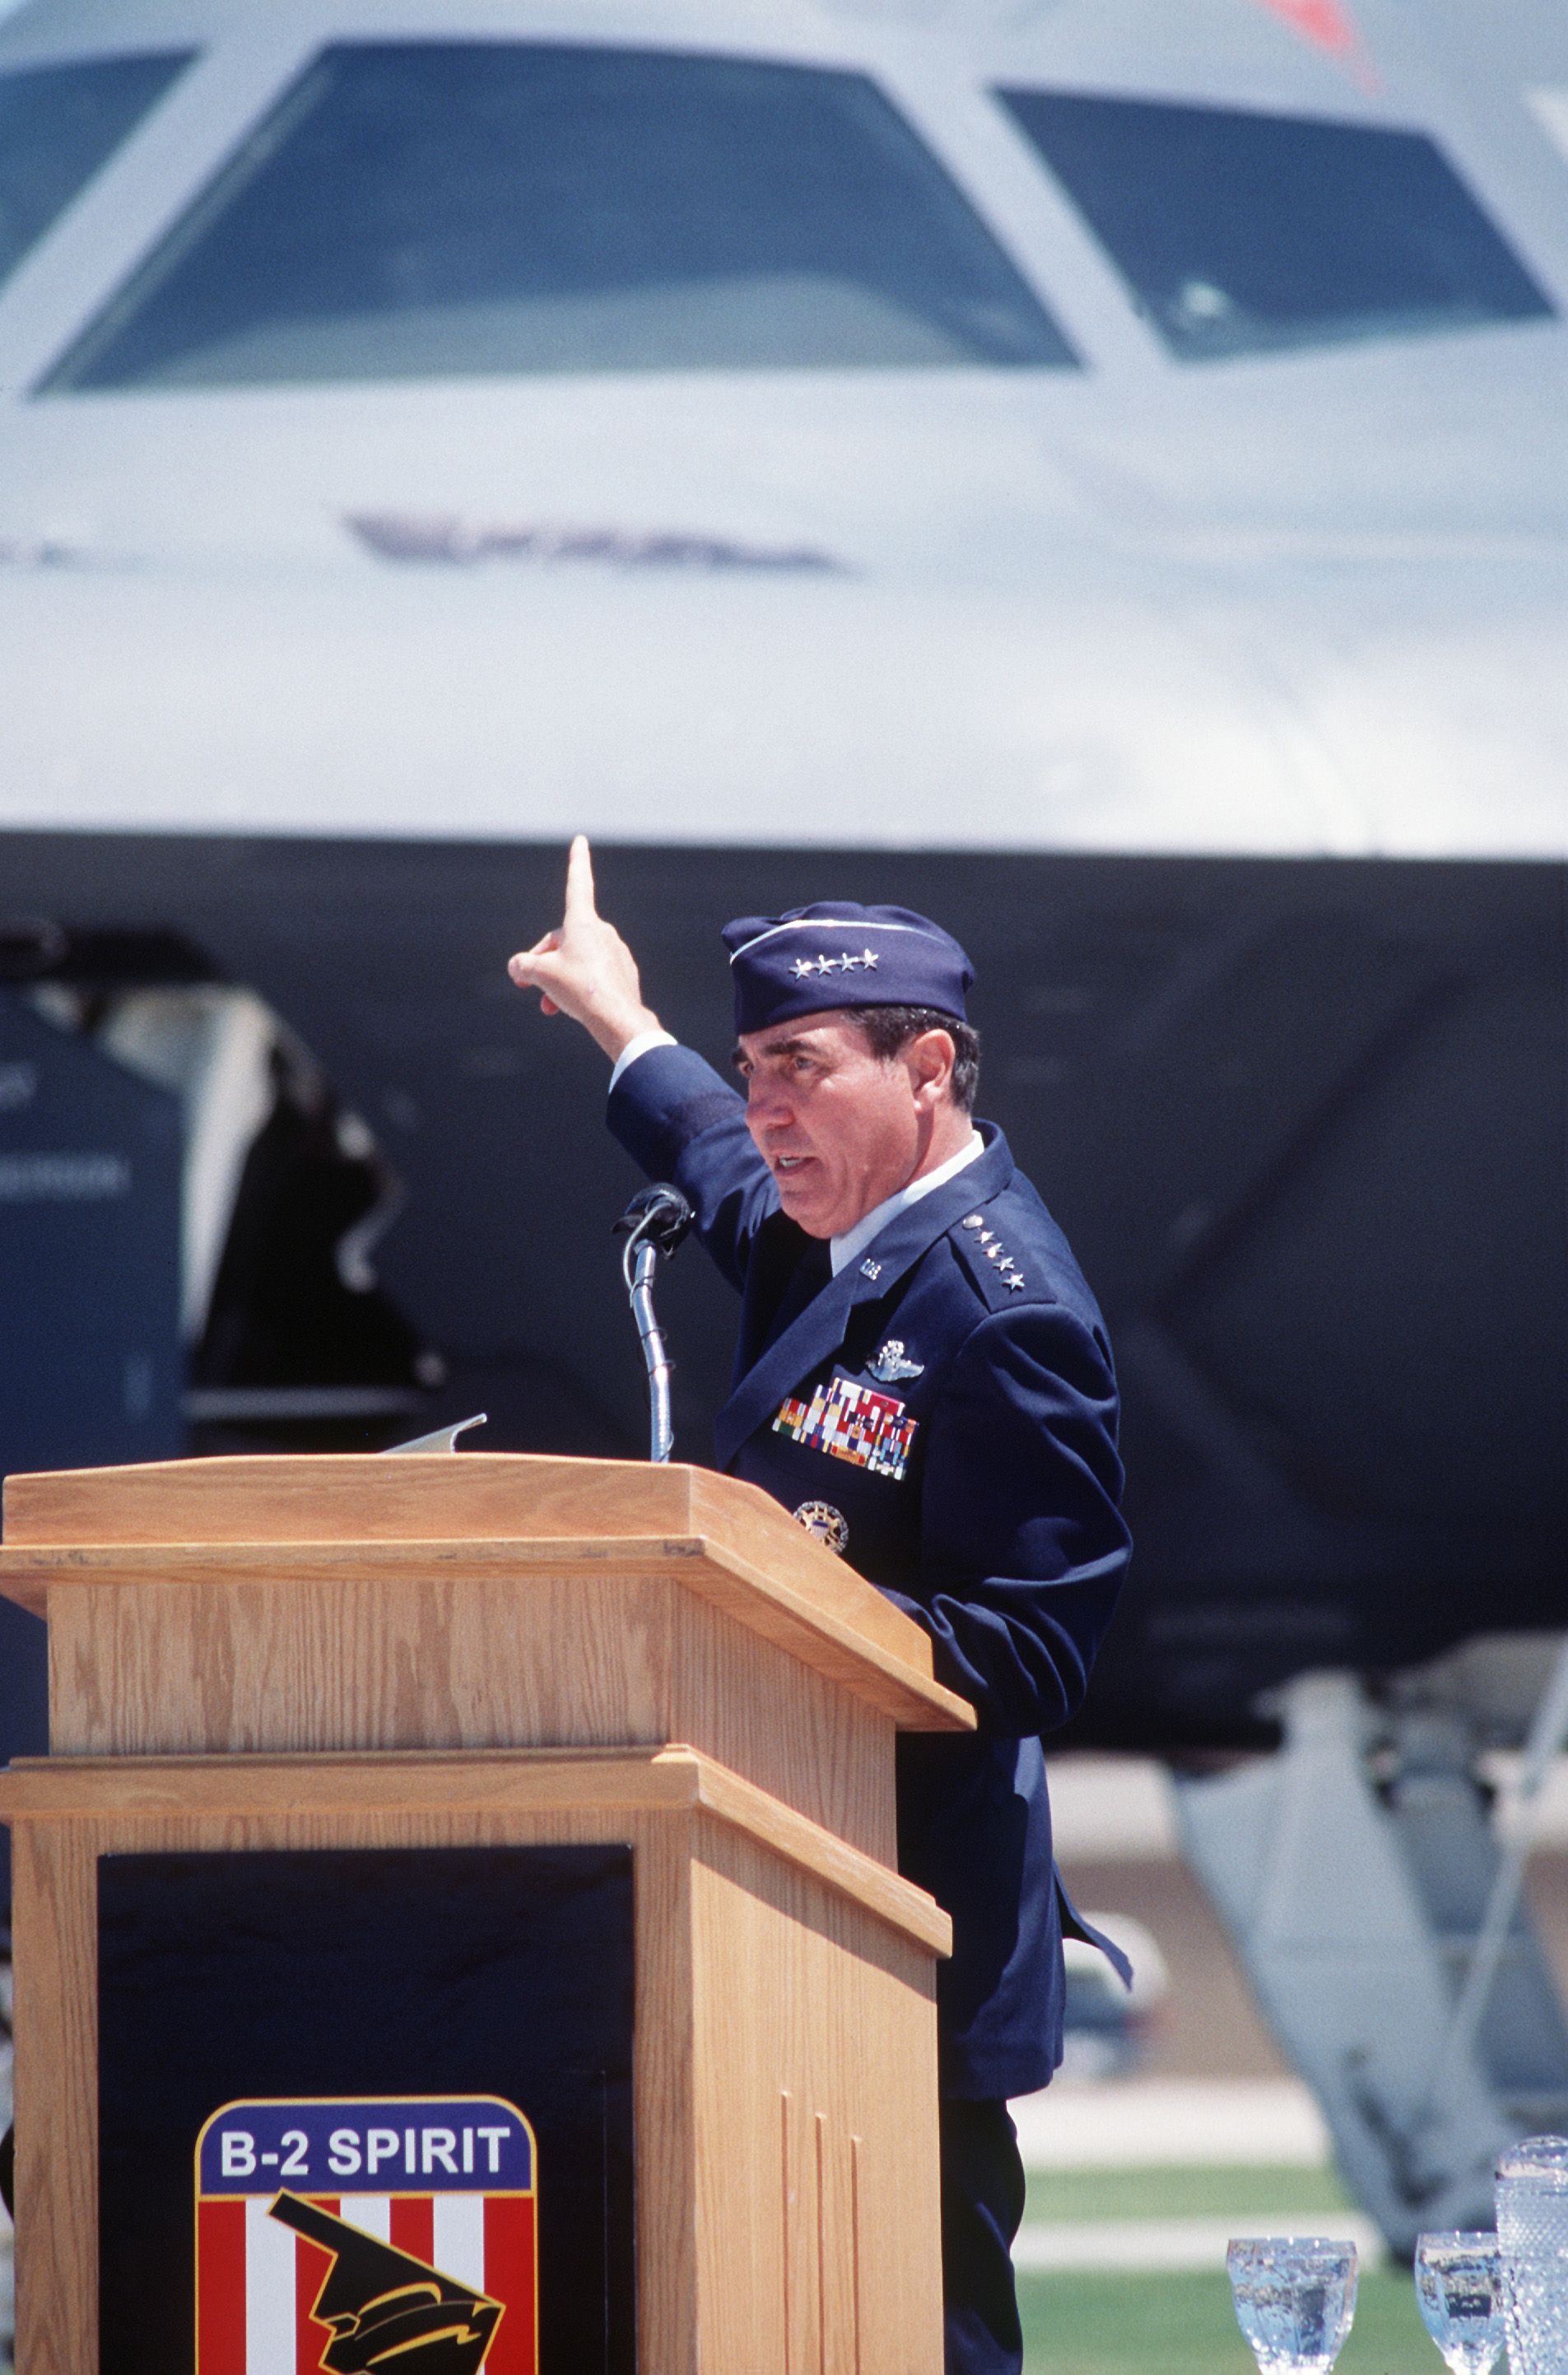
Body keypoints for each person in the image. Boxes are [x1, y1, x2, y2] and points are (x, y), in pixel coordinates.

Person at [509, 839, 1132, 2375]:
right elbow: (710, 1152)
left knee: (912, 2331)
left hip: (897, 1928)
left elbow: (1035, 1644)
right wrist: (617, 1016)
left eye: (799, 1066)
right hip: (773, 1889)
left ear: (927, 1069)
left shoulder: (1004, 1311)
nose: (765, 1109)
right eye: (751, 1068)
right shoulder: (837, 1220)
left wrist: (766, 1594)